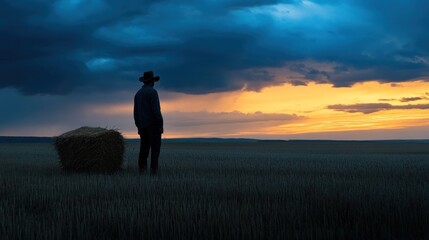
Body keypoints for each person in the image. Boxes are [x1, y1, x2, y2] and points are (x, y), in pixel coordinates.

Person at [134, 71, 163, 175]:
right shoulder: (153, 92)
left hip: (142, 126)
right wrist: (160, 125)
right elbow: (156, 111)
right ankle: (153, 173)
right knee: (155, 151)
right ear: (152, 81)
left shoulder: (138, 94)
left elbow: (135, 113)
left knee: (143, 151)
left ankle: (142, 172)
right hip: (153, 126)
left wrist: (138, 126)